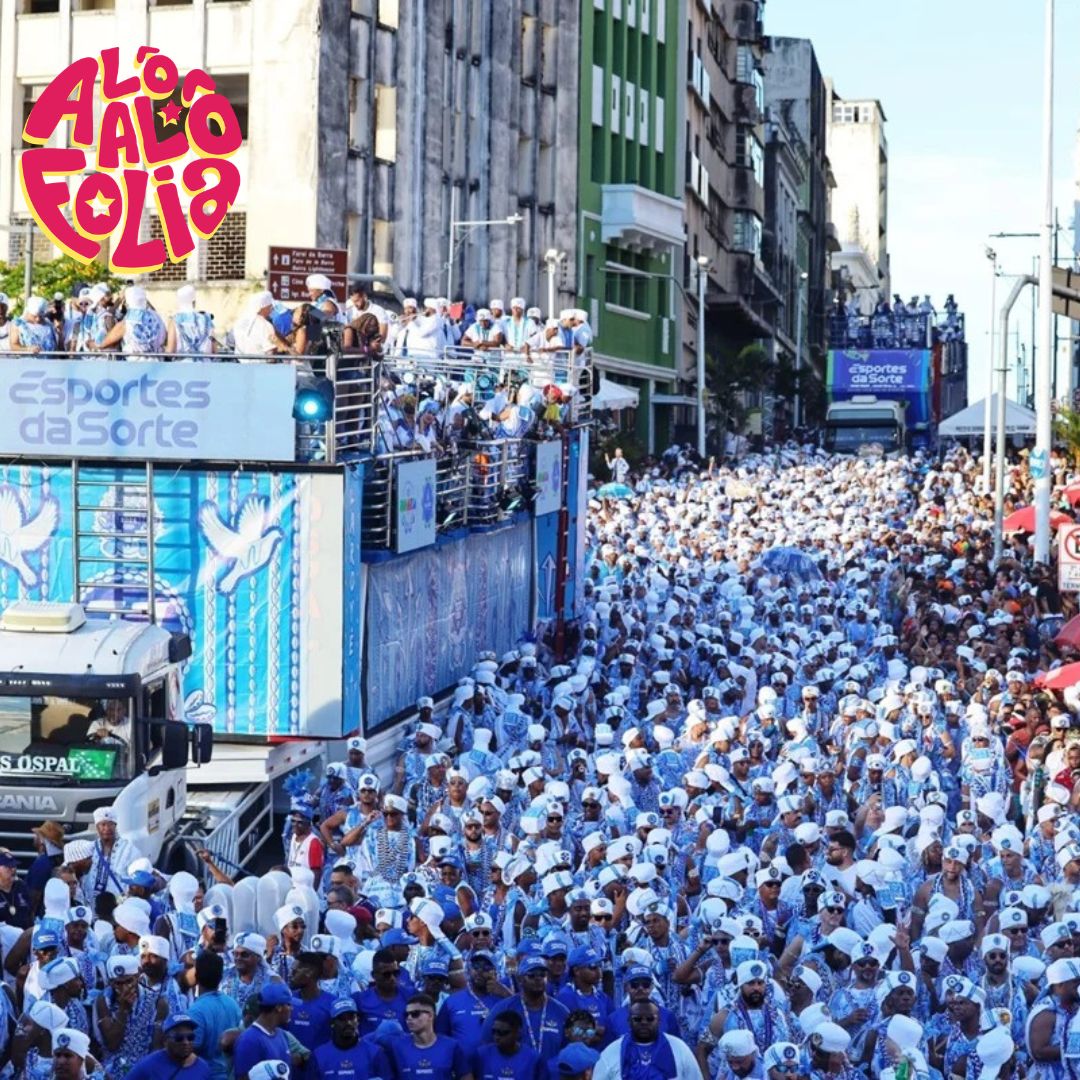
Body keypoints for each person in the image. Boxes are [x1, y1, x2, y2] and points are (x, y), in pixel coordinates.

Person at [591, 1000, 701, 1079]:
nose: (644, 1023)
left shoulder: (679, 1048)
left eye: (650, 1019)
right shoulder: (611, 1052)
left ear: (659, 1021)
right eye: (637, 1019)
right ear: (629, 1021)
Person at [386, 992, 473, 1079]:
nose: (409, 1018)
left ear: (430, 1015)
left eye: (415, 1014)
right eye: (406, 1014)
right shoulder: (397, 1046)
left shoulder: (451, 1046)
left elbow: (465, 1076)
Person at [187, 949, 243, 1080]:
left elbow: (189, 1052)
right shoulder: (232, 1004)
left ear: (196, 975)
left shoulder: (196, 1011)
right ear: (220, 977)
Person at [309, 997, 391, 1078]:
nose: (348, 1023)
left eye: (351, 1018)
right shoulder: (318, 1056)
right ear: (332, 1023)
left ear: (358, 1020)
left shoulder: (375, 1053)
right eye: (342, 1019)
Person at [232, 983, 294, 1080]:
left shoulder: (282, 1035)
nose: (292, 1009)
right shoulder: (249, 1040)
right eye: (289, 1004)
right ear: (278, 1008)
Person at [124, 1012, 211, 1080]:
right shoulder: (149, 1065)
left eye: (190, 1037)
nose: (186, 1042)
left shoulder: (203, 1068)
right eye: (179, 1038)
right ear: (165, 1040)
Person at [472, 1008, 544, 1079]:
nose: (497, 1037)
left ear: (517, 1033)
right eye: (494, 1031)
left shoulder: (533, 1059)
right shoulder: (481, 1055)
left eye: (503, 1033)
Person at [233, 290, 291, 356]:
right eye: (270, 306)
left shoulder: (239, 322)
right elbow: (270, 354)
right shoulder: (265, 325)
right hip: (260, 364)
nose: (272, 308)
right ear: (263, 307)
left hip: (239, 364)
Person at [166, 284, 217, 356]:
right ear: (194, 301)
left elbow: (170, 350)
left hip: (182, 365)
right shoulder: (207, 319)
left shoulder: (175, 321)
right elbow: (214, 345)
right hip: (206, 365)